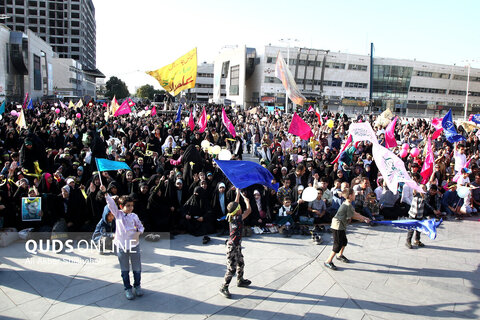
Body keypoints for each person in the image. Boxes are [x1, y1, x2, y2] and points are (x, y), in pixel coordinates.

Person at [105, 186, 145, 300]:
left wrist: (138, 233)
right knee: (125, 269)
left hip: (134, 245)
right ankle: (127, 288)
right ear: (121, 207)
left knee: (137, 268)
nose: (130, 208)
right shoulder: (118, 215)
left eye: (132, 205)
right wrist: (106, 194)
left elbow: (141, 227)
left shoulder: (134, 216)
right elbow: (111, 205)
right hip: (121, 246)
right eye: (128, 206)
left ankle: (137, 285)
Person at [324, 188, 370, 270]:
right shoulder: (347, 205)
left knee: (344, 241)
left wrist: (364, 217)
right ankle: (328, 261)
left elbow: (354, 213)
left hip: (341, 225)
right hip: (337, 226)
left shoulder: (348, 203)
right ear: (350, 195)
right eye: (354, 194)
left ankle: (339, 255)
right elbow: (353, 216)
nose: (355, 195)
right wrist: (363, 219)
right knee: (337, 244)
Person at [219, 188, 252, 299]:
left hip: (236, 245)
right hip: (232, 247)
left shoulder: (231, 215)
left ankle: (240, 280)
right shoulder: (237, 218)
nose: (240, 208)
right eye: (239, 208)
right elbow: (248, 211)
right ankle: (223, 287)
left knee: (241, 263)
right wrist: (247, 202)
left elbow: (235, 203)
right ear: (237, 210)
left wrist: (238, 192)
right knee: (231, 268)